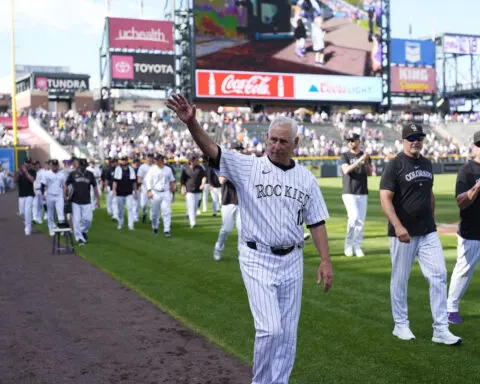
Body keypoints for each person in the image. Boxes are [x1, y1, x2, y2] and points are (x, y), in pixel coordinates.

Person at [167, 93, 333, 384]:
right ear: (266, 139)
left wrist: (325, 260)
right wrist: (192, 123)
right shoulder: (249, 167)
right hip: (257, 257)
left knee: (288, 335)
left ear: (296, 144)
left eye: (284, 141)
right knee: (270, 329)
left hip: (293, 259)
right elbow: (213, 150)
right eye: (273, 139)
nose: (277, 146)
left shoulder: (307, 178)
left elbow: (316, 221)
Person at [379, 123, 461, 345]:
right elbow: (385, 197)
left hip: (427, 231)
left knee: (439, 274)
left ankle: (441, 329)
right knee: (400, 279)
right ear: (404, 140)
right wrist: (397, 225)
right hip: (402, 233)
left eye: (419, 137)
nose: (416, 141)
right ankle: (401, 324)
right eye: (412, 137)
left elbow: (429, 193)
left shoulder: (426, 162)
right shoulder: (395, 164)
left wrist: (432, 221)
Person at [447, 131, 480, 324]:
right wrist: (477, 187)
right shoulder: (467, 170)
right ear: (475, 147)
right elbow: (460, 201)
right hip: (472, 230)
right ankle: (451, 308)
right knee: (464, 270)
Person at [341, 132, 372, 257]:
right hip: (349, 191)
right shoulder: (345, 155)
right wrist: (360, 159)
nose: (350, 143)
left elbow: (370, 173)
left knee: (360, 221)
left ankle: (357, 246)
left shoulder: (365, 155)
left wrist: (366, 161)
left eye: (352, 140)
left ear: (358, 141)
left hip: (362, 191)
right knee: (353, 217)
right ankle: (348, 245)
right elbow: (346, 170)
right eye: (348, 141)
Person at [65, 158, 100, 246]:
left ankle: (82, 231)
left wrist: (98, 200)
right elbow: (66, 184)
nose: (83, 167)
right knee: (76, 220)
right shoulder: (73, 174)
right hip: (75, 200)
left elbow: (95, 188)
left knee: (88, 219)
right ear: (78, 165)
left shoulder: (90, 174)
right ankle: (79, 239)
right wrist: (65, 195)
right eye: (82, 166)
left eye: (84, 166)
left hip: (87, 200)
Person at [145, 154, 176, 237]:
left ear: (162, 160)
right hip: (155, 192)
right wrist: (149, 191)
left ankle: (167, 230)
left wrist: (173, 193)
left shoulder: (168, 170)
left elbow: (172, 181)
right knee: (155, 213)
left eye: (158, 160)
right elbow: (148, 181)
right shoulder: (152, 169)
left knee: (167, 211)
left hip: (166, 192)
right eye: (156, 160)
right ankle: (155, 227)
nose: (156, 161)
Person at [213, 177, 240, 261]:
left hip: (243, 202)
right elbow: (221, 180)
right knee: (227, 229)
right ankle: (218, 247)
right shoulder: (225, 166)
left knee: (243, 229)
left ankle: (242, 254)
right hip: (228, 201)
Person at [41, 159, 67, 236]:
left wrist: (65, 194)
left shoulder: (61, 174)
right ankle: (51, 228)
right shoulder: (46, 174)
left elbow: (64, 185)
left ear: (58, 166)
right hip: (50, 195)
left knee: (60, 212)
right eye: (53, 165)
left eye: (56, 165)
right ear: (50, 166)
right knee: (50, 212)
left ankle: (61, 228)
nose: (54, 167)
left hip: (59, 195)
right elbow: (43, 184)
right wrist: (43, 194)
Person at [180, 154, 205, 228]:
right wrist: (182, 188)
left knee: (196, 207)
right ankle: (192, 223)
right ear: (191, 161)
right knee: (191, 206)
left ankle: (192, 219)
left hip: (198, 190)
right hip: (189, 191)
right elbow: (182, 180)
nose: (198, 161)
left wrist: (203, 184)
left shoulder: (200, 168)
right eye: (196, 160)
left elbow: (204, 177)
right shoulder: (185, 169)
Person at [112, 156, 137, 230]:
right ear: (121, 161)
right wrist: (114, 190)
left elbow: (134, 182)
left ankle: (131, 225)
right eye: (123, 160)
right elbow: (115, 181)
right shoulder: (118, 169)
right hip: (119, 192)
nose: (124, 161)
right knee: (120, 210)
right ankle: (120, 223)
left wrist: (135, 192)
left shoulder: (131, 169)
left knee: (130, 208)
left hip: (129, 192)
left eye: (125, 160)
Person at [16, 158, 36, 236]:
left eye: (29, 163)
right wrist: (19, 174)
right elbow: (15, 180)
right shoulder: (19, 171)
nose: (27, 164)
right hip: (21, 194)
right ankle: (27, 222)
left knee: (28, 211)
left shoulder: (33, 171)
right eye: (26, 163)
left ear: (31, 164)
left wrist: (25, 172)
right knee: (22, 212)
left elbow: (32, 180)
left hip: (30, 194)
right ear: (24, 163)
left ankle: (28, 229)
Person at [137, 153, 154, 224]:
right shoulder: (142, 167)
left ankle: (151, 218)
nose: (150, 158)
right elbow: (139, 177)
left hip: (153, 187)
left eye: (151, 157)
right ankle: (144, 213)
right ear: (146, 158)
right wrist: (139, 186)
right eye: (149, 157)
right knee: (143, 204)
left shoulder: (155, 166)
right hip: (144, 187)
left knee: (153, 204)